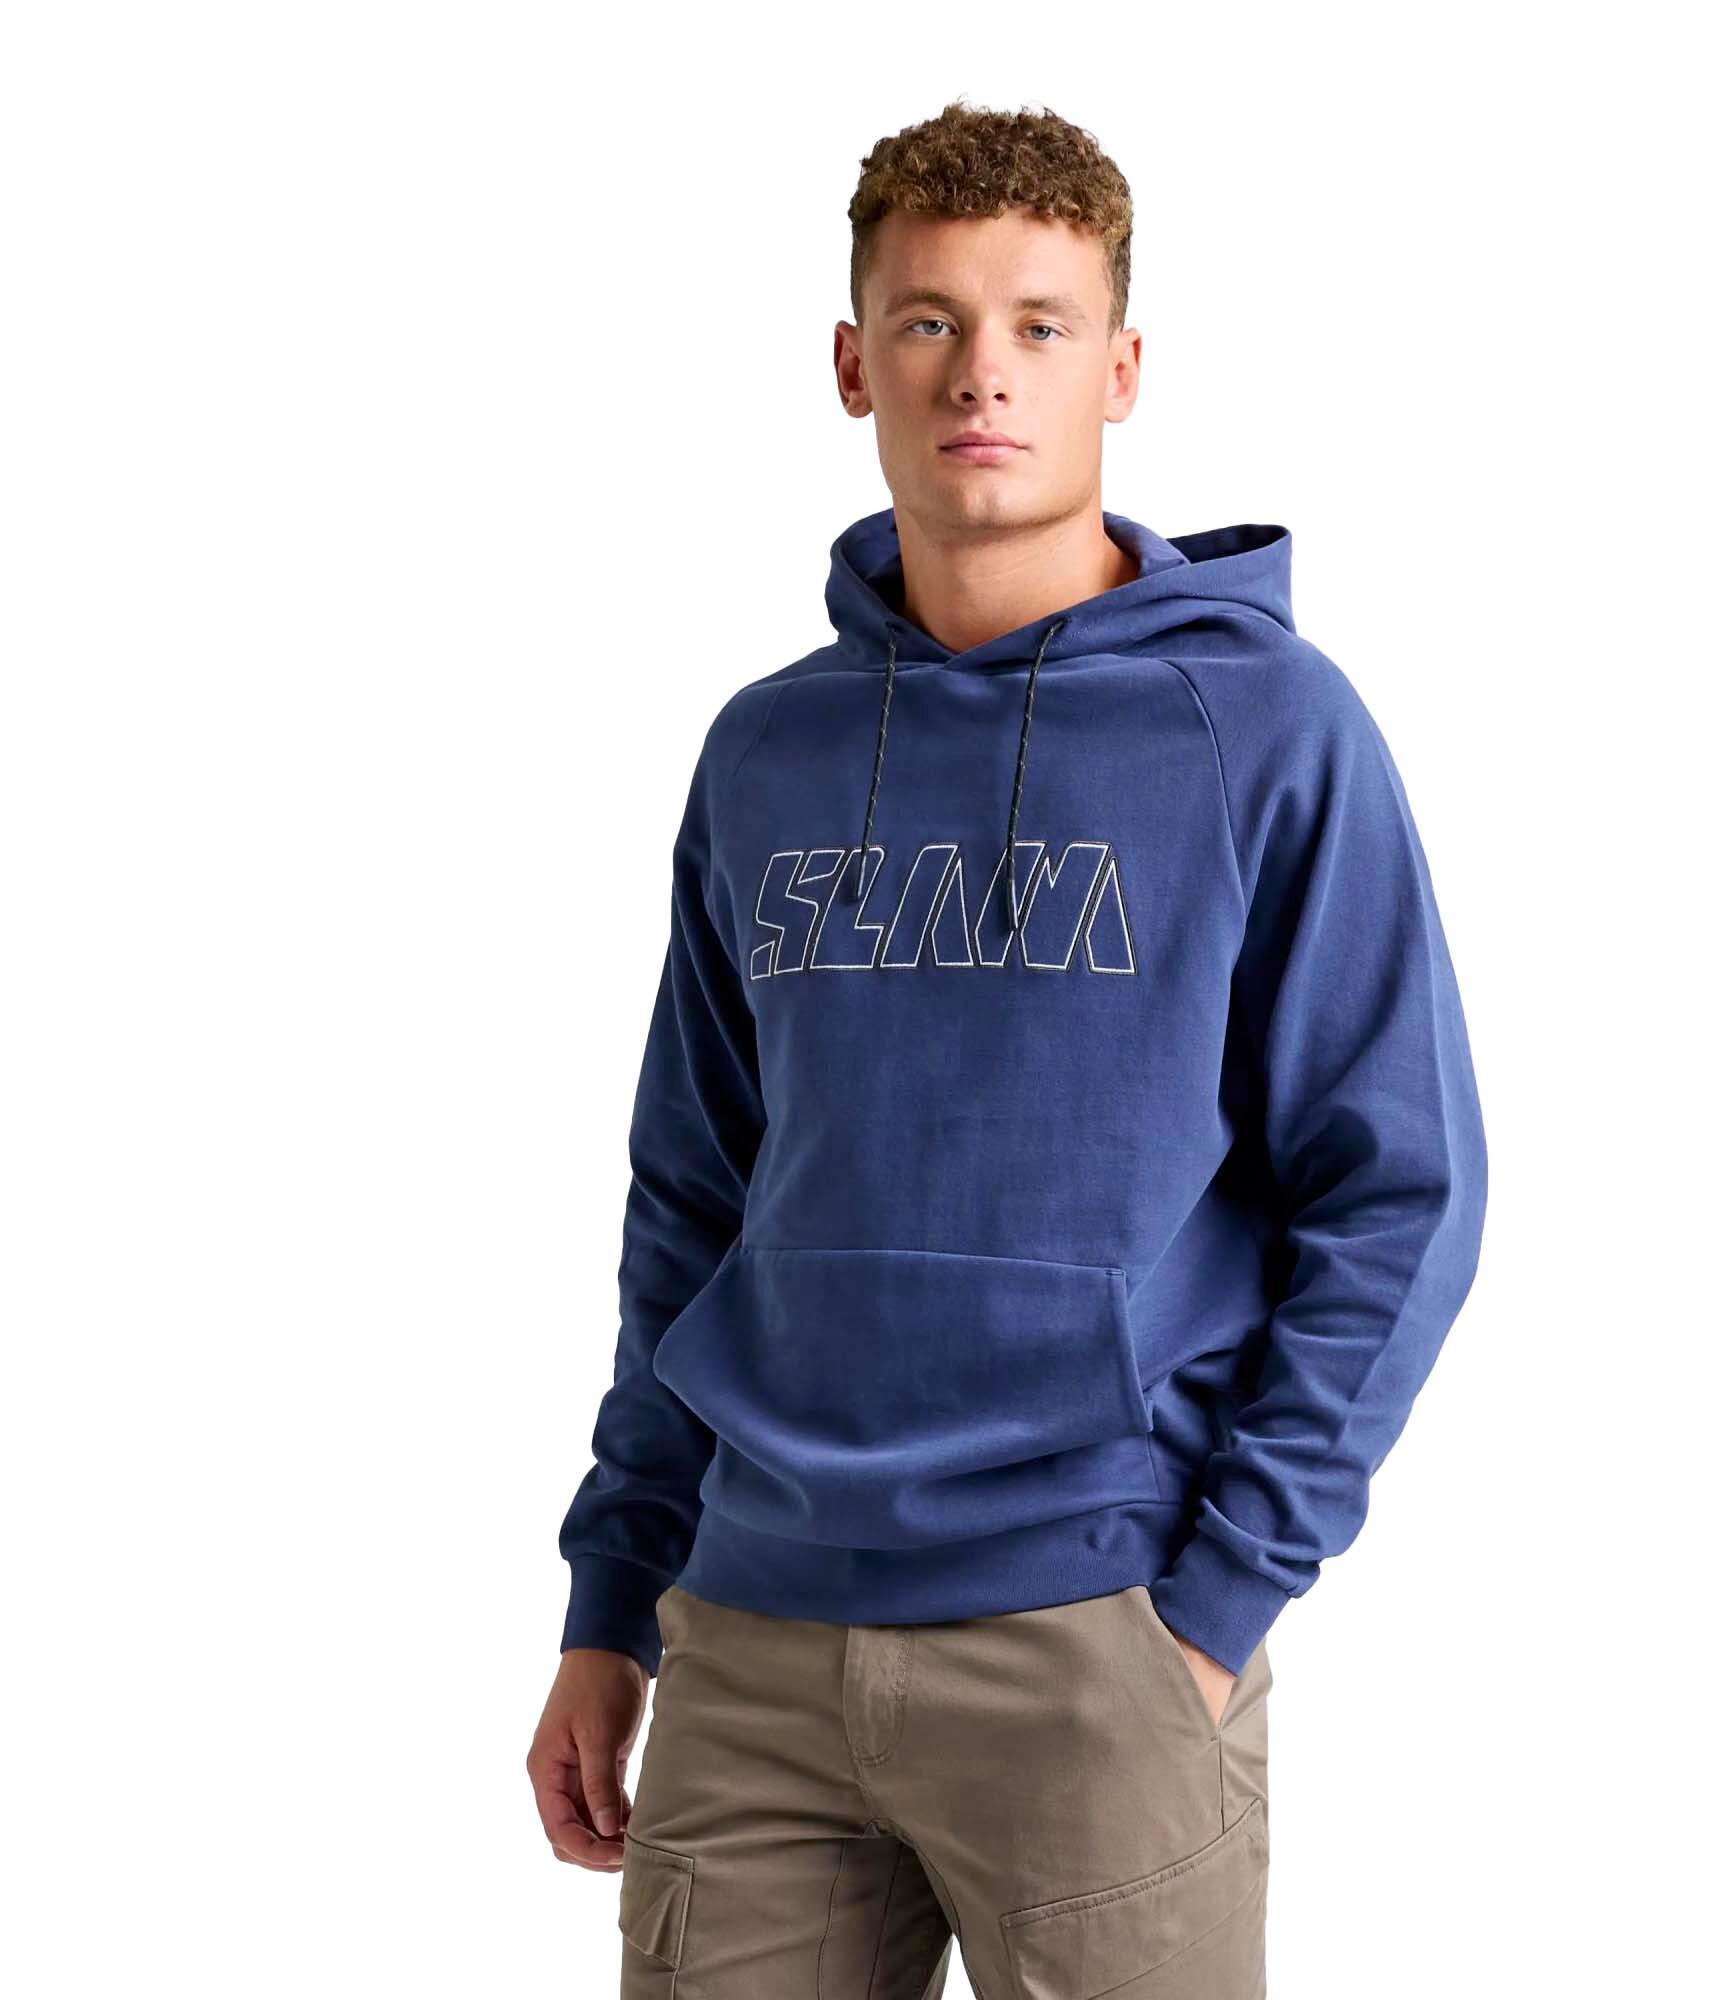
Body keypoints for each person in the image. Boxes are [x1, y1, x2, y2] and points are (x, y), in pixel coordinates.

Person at [526, 98, 1487, 1999]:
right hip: (751, 1636)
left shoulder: (1267, 731)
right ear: (851, 361)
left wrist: (1214, 1600)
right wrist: (611, 1596)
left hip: (1092, 1633)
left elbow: (1402, 1190)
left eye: (1041, 326)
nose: (983, 374)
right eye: (932, 321)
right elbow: (693, 1203)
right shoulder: (766, 753)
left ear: (1120, 370)